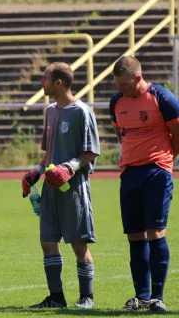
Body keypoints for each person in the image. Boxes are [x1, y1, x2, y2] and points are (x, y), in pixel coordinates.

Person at [21, 62, 100, 309]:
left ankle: (86, 297)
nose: (41, 83)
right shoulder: (50, 111)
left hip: (74, 188)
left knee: (78, 244)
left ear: (58, 82)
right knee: (48, 241)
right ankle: (56, 298)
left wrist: (69, 167)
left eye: (44, 79)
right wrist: (35, 172)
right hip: (50, 188)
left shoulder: (82, 112)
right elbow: (48, 154)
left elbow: (90, 152)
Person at [109, 56, 179, 313]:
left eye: (124, 84)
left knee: (155, 233)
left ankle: (157, 298)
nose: (120, 89)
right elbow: (121, 134)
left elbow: (177, 134)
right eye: (117, 84)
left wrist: (165, 160)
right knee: (134, 236)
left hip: (157, 172)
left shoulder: (163, 99)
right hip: (130, 173)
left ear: (138, 78)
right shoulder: (116, 101)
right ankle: (141, 296)